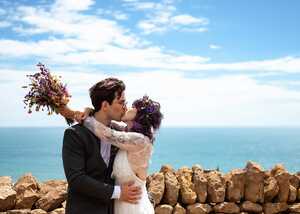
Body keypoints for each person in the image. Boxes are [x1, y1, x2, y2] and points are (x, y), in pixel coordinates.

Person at [62, 78, 142, 214]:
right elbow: (76, 179)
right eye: (121, 102)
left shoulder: (121, 133)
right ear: (105, 105)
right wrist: (118, 192)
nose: (125, 108)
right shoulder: (74, 134)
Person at [81, 95, 163, 214]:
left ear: (139, 113)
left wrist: (84, 117)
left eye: (132, 107)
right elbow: (108, 124)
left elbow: (106, 133)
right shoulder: (129, 133)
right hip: (124, 207)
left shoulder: (140, 141)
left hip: (135, 209)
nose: (126, 108)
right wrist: (91, 112)